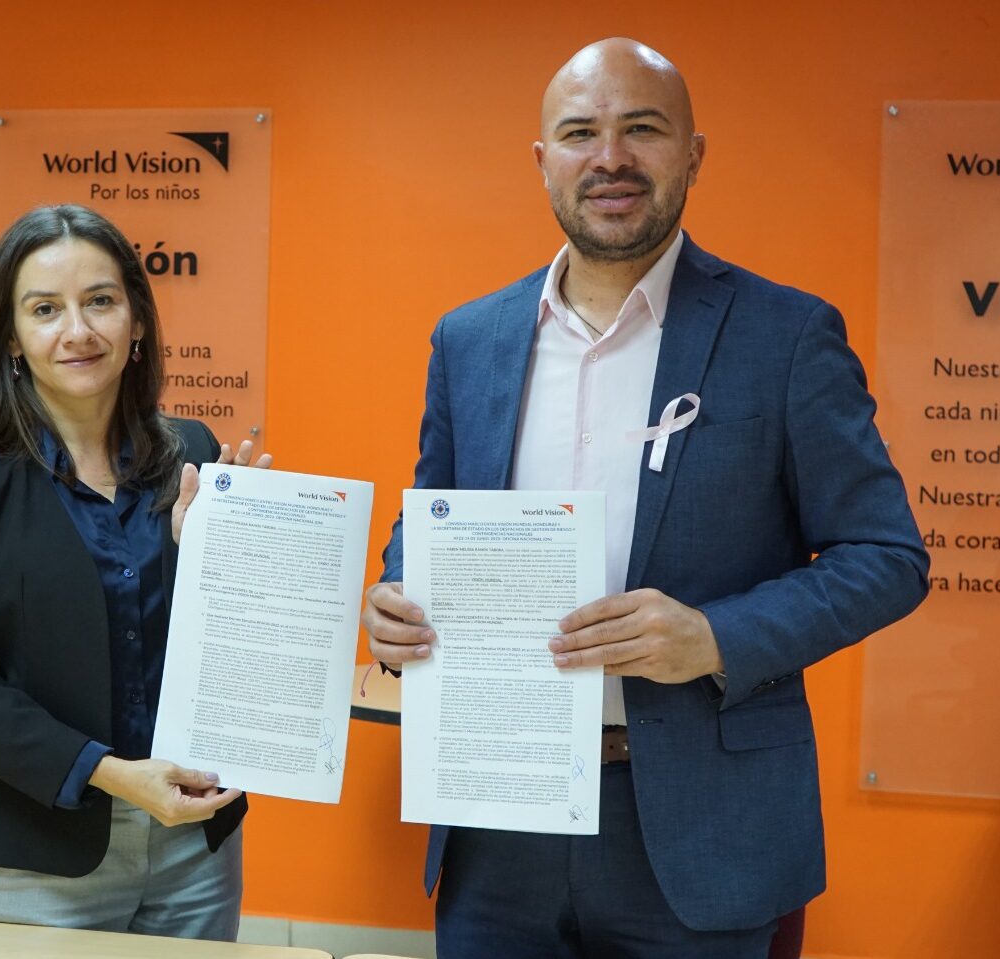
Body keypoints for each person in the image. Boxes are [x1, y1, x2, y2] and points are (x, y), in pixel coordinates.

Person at [362, 38, 929, 958]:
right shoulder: (470, 338)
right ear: (542, 160)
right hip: (496, 814)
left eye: (643, 129)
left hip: (705, 829)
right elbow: (430, 516)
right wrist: (396, 594)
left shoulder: (787, 335)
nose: (610, 158)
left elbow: (888, 558)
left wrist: (713, 636)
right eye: (579, 133)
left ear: (693, 155)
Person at [0, 204, 266, 939]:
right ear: (11, 337)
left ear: (137, 322)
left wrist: (231, 562)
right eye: (46, 309)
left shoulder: (194, 450)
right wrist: (113, 774)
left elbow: (229, 648)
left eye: (100, 300)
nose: (78, 330)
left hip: (193, 847)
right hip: (35, 859)